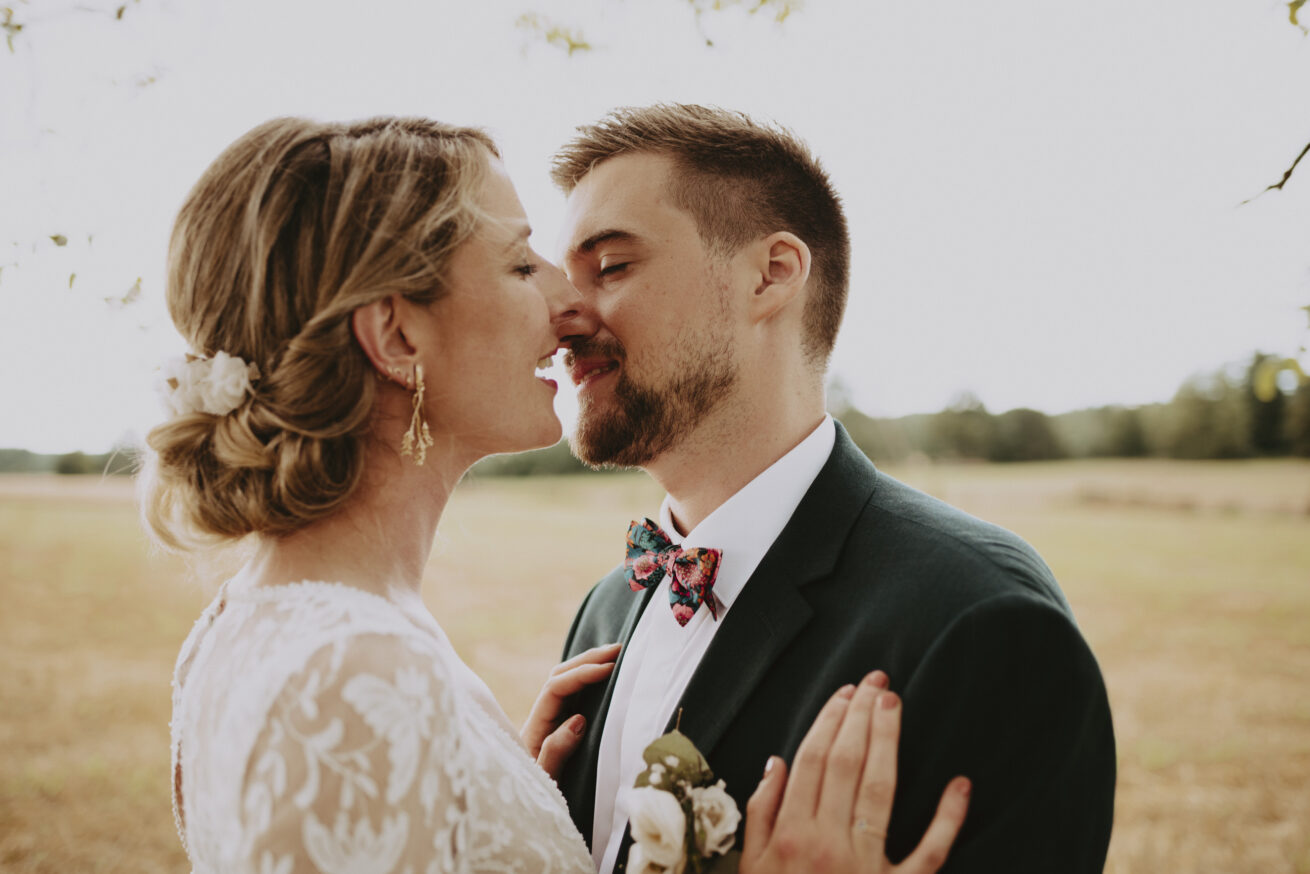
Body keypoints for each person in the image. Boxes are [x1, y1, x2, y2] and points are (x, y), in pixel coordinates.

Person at [146, 116, 970, 874]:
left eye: (608, 267)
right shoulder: (350, 679)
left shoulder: (262, 630)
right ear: (398, 337)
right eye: (519, 262)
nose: (567, 305)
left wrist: (509, 806)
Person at [550, 104, 1117, 874]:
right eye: (562, 278)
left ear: (771, 274)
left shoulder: (983, 623)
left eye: (611, 267)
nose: (561, 317)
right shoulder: (607, 610)